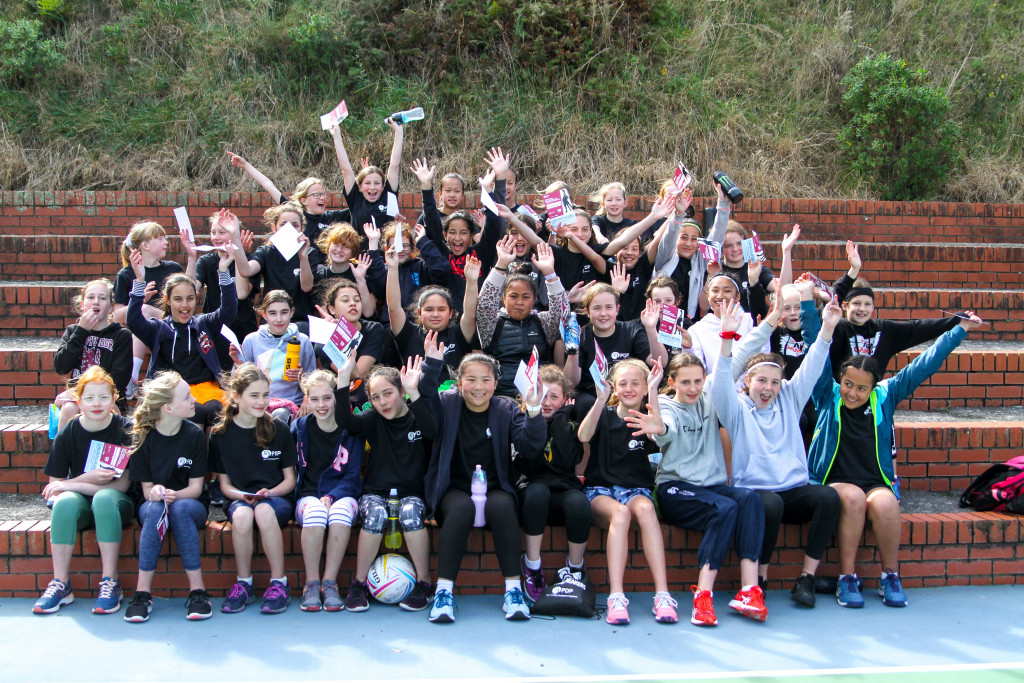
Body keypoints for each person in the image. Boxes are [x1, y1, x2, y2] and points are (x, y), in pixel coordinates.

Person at [809, 311, 985, 609]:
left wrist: (960, 329)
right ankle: (847, 578)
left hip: (876, 481)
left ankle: (890, 575)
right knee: (852, 498)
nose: (853, 393)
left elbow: (923, 366)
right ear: (841, 379)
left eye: (862, 388)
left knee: (887, 503)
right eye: (849, 384)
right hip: (834, 481)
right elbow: (817, 350)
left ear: (873, 387)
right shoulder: (828, 393)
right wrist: (808, 308)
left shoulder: (886, 395)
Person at [711, 298, 842, 608]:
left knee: (828, 497)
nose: (768, 388)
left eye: (774, 381)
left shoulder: (790, 400)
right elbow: (718, 383)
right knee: (767, 504)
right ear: (747, 382)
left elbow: (811, 366)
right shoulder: (736, 409)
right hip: (757, 492)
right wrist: (727, 341)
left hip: (792, 488)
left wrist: (827, 329)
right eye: (761, 381)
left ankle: (806, 578)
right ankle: (761, 579)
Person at [626, 352, 765, 626]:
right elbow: (665, 430)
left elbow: (733, 360)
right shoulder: (666, 404)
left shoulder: (711, 395)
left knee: (749, 499)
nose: (693, 388)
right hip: (675, 490)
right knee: (725, 508)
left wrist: (762, 324)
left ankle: (749, 590)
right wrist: (658, 426)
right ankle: (703, 596)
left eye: (698, 381)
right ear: (673, 382)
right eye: (686, 382)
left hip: (710, 486)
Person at [423, 354, 547, 623]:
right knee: (461, 508)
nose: (478, 387)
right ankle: (443, 593)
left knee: (502, 506)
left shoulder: (505, 409)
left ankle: (513, 592)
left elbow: (530, 447)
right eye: (471, 379)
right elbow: (426, 420)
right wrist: (430, 367)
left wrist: (534, 409)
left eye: (485, 380)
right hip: (454, 488)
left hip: (494, 487)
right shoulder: (446, 403)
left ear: (495, 383)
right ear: (458, 382)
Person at [335, 337, 444, 613]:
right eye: (375, 396)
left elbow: (432, 431)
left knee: (409, 513)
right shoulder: (372, 418)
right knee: (375, 515)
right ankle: (359, 584)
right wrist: (343, 379)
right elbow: (345, 421)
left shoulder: (416, 415)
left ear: (401, 391)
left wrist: (414, 392)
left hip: (412, 494)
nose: (382, 402)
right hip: (376, 493)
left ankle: (424, 583)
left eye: (388, 393)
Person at [578, 358, 676, 626]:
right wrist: (600, 400)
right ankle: (616, 596)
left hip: (636, 490)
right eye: (623, 384)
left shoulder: (647, 419)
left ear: (645, 387)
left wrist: (654, 392)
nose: (629, 388)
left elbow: (659, 435)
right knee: (620, 514)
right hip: (601, 491)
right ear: (614, 387)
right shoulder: (605, 414)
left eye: (637, 383)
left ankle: (662, 595)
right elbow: (583, 436)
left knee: (645, 508)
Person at [33, 366, 133, 615]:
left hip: (116, 504)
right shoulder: (69, 431)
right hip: (82, 505)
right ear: (79, 402)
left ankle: (111, 582)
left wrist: (71, 483)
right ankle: (61, 584)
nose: (96, 403)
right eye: (89, 398)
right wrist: (82, 481)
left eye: (103, 397)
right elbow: (56, 487)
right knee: (66, 502)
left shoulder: (125, 429)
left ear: (113, 399)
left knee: (104, 497)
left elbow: (121, 485)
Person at [123, 371, 213, 622]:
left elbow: (196, 488)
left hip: (190, 503)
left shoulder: (194, 434)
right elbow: (146, 490)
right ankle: (142, 593)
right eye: (187, 396)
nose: (193, 399)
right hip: (153, 505)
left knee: (180, 509)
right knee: (156, 510)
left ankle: (198, 592)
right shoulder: (143, 436)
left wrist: (173, 495)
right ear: (168, 408)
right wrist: (156, 493)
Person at [210, 364, 297, 614]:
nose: (262, 402)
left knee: (264, 511)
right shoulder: (221, 434)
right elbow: (224, 485)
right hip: (240, 499)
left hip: (276, 499)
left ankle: (279, 583)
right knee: (243, 514)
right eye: (254, 395)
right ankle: (244, 583)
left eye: (266, 395)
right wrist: (245, 496)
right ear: (236, 397)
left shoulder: (278, 427)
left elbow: (289, 480)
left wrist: (268, 494)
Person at [126, 246, 237, 430]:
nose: (185, 305)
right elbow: (133, 320)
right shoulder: (159, 328)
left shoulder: (204, 323)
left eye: (190, 298)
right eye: (178, 299)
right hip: (173, 393)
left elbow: (229, 310)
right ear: (167, 300)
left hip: (206, 390)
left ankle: (209, 458)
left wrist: (223, 271)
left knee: (215, 409)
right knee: (194, 413)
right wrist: (139, 281)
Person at [829, 240, 961, 381]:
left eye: (867, 304)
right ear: (844, 305)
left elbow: (918, 328)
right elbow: (829, 304)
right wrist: (853, 271)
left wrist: (958, 319)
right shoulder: (836, 328)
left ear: (873, 307)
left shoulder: (884, 329)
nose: (862, 309)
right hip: (838, 396)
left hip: (872, 397)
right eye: (856, 303)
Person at [515, 365, 591, 602]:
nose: (546, 402)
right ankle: (533, 565)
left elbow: (569, 460)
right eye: (542, 394)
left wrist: (560, 420)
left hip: (564, 488)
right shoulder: (522, 420)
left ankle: (575, 568)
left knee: (579, 503)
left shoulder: (568, 425)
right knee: (538, 493)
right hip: (533, 488)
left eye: (554, 397)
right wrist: (535, 415)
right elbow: (529, 465)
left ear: (566, 400)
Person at [290, 370, 363, 612]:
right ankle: (311, 584)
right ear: (307, 399)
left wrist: (332, 496)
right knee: (316, 514)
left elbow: (353, 477)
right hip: (308, 496)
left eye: (327, 398)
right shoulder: (299, 428)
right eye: (315, 399)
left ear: (337, 397)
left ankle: (329, 584)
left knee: (339, 514)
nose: (321, 405)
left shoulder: (351, 431)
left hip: (343, 495)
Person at [112, 220, 195, 398]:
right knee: (143, 310)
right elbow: (116, 316)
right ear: (145, 245)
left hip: (171, 324)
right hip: (145, 331)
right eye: (160, 238)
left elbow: (189, 293)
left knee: (146, 311)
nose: (166, 242)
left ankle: (133, 376)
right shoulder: (126, 274)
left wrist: (192, 258)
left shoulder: (172, 268)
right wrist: (138, 300)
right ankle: (132, 380)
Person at [477, 237, 569, 398]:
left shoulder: (542, 322)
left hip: (540, 395)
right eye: (513, 296)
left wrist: (550, 273)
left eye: (525, 297)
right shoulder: (492, 324)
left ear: (534, 300)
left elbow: (562, 312)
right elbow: (484, 303)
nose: (519, 302)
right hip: (502, 396)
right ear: (503, 298)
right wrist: (501, 265)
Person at [225, 153, 350, 263]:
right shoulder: (295, 213)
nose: (322, 198)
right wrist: (246, 165)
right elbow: (269, 185)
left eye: (323, 194)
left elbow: (358, 206)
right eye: (316, 195)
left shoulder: (332, 217)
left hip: (322, 272)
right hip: (298, 271)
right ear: (303, 200)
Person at [388, 247, 478, 383]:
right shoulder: (409, 334)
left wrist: (471, 281)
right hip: (417, 399)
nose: (435, 314)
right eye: (429, 309)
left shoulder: (459, 333)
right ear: (419, 313)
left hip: (453, 399)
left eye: (442, 309)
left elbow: (470, 313)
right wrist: (392, 268)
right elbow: (394, 307)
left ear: (450, 313)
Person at [52, 279, 132, 430]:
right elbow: (61, 366)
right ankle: (64, 452)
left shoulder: (121, 335)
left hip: (109, 398)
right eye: (90, 297)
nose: (96, 302)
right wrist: (81, 332)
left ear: (110, 307)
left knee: (106, 409)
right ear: (82, 305)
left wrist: (86, 396)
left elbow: (120, 379)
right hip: (77, 397)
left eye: (102, 298)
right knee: (70, 409)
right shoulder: (73, 331)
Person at [564, 283, 667, 400]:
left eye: (609, 307)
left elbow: (660, 362)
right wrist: (573, 349)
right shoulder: (581, 336)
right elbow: (570, 382)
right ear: (587, 312)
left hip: (627, 393)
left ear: (617, 309)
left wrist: (651, 329)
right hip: (593, 395)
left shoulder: (631, 331)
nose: (603, 313)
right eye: (597, 308)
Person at [653, 178, 733, 322]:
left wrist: (723, 203)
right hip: (662, 320)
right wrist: (678, 216)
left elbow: (717, 237)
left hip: (691, 323)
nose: (688, 243)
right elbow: (669, 237)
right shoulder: (665, 256)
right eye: (683, 237)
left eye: (694, 239)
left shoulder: (701, 260)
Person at [231, 290, 317, 423]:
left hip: (291, 401)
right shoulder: (251, 340)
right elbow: (238, 382)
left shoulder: (303, 340)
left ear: (292, 312)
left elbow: (313, 378)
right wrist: (238, 364)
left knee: (279, 416)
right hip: (258, 400)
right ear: (264, 314)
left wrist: (305, 392)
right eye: (272, 313)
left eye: (284, 312)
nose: (279, 319)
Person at [196, 209, 260, 370]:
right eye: (213, 232)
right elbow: (192, 288)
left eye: (222, 232)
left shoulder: (250, 261)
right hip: (215, 328)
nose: (216, 237)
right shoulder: (206, 261)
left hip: (241, 326)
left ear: (234, 234)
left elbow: (241, 293)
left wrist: (238, 255)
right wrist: (191, 257)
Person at [229, 202, 316, 320]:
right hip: (272, 321)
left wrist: (303, 257)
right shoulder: (266, 252)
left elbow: (307, 287)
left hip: (300, 320)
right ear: (274, 228)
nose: (289, 229)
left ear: (302, 228)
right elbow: (246, 271)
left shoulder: (309, 253)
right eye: (284, 224)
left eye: (295, 225)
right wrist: (235, 237)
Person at [328, 118, 405, 235]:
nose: (372, 187)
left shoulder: (388, 197)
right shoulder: (356, 200)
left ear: (383, 187)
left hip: (386, 253)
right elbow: (346, 170)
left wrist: (398, 133)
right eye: (367, 183)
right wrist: (336, 136)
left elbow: (394, 165)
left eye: (377, 183)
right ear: (359, 187)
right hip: (360, 253)